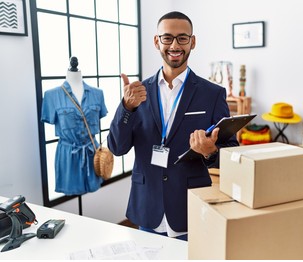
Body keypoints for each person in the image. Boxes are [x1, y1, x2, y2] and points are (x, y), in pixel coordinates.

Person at [107, 11, 239, 240]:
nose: (175, 45)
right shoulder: (138, 92)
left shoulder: (213, 94)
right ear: (157, 41)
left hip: (191, 206)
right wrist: (126, 108)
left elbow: (232, 151)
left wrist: (210, 153)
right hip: (147, 205)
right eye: (167, 38)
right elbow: (117, 148)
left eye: (182, 38)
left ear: (193, 41)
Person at [41, 58, 108, 195]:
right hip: (68, 154)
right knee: (72, 190)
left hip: (92, 152)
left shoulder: (97, 94)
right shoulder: (51, 95)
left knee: (92, 188)